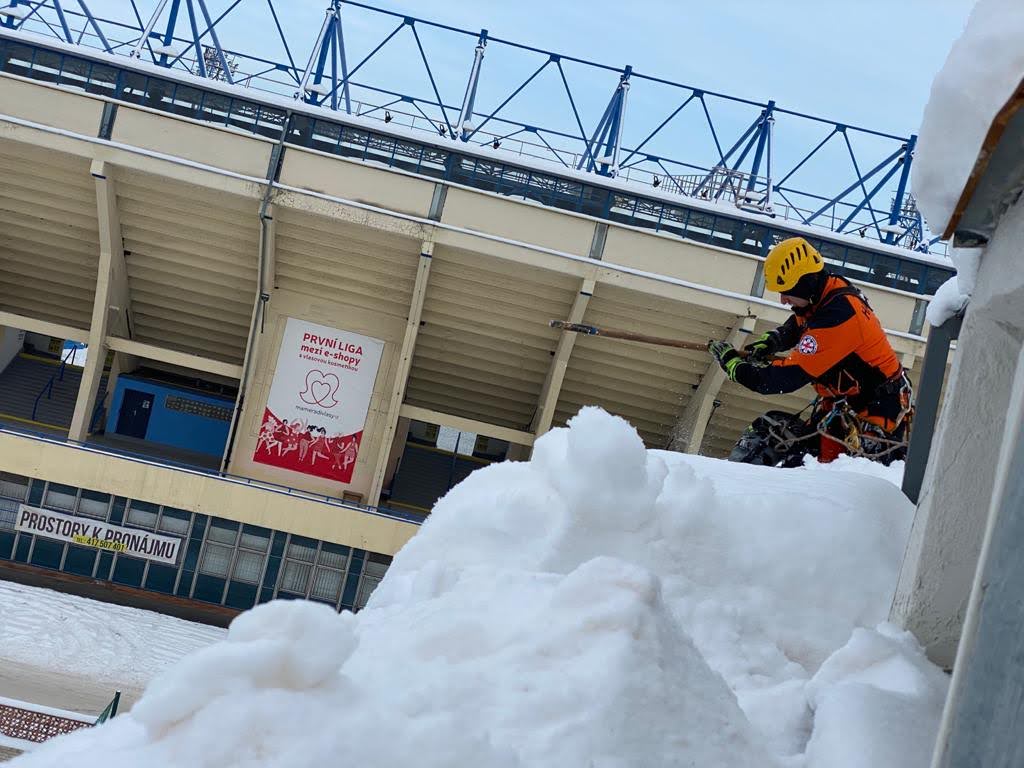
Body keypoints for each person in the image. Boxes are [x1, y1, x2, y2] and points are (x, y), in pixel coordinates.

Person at [708, 236, 913, 466]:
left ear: (804, 283)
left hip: (870, 421)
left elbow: (782, 379)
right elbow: (799, 322)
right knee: (776, 442)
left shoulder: (838, 316)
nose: (783, 300)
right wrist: (772, 341)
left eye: (786, 291)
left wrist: (735, 366)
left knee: (805, 469)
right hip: (847, 409)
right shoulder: (828, 291)